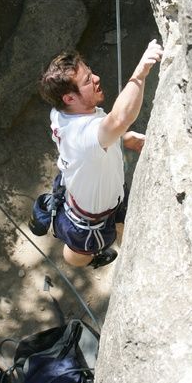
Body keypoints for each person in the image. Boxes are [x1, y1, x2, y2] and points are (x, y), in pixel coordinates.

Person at [39, 39, 163, 269]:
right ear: (70, 98)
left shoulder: (61, 112)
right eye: (87, 80)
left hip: (102, 193)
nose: (96, 79)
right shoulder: (84, 134)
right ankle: (88, 258)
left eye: (91, 73)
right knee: (78, 255)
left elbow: (104, 134)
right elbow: (118, 119)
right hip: (87, 223)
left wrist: (121, 138)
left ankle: (127, 249)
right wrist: (140, 73)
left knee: (124, 222)